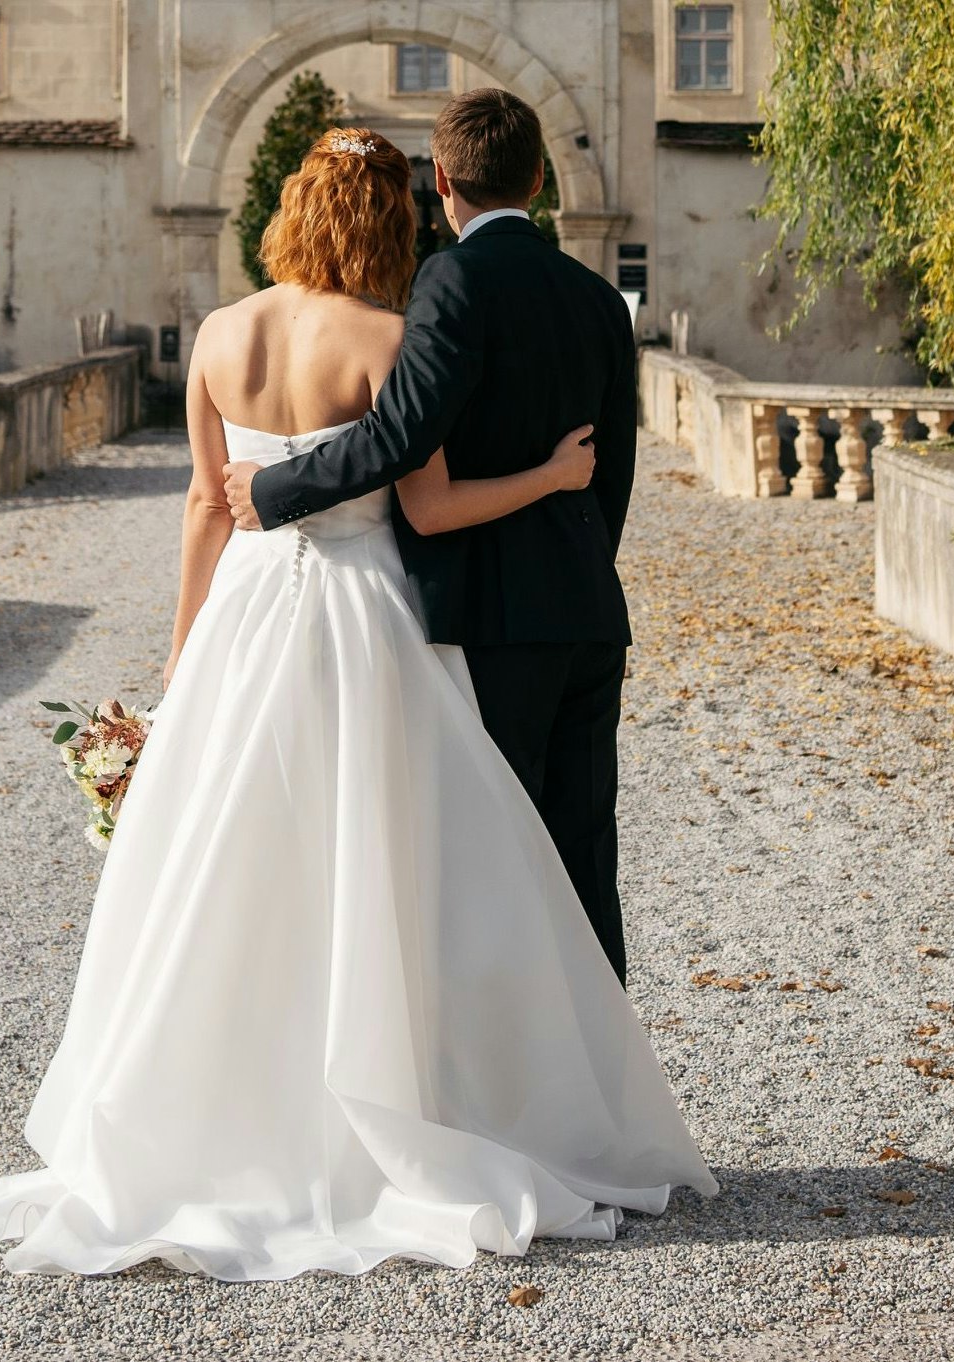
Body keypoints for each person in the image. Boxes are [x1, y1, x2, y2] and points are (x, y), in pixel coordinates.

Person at [0, 125, 715, 1281]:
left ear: (290, 208)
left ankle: (206, 1114)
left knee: (225, 862)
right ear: (394, 218)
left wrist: (180, 661)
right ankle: (418, 1092)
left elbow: (207, 511)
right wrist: (557, 480)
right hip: (363, 623)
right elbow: (436, 510)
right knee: (386, 866)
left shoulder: (219, 334)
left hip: (241, 624)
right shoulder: (385, 338)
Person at [225, 88, 642, 982]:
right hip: (587, 613)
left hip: (493, 620)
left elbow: (401, 436)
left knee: (490, 859)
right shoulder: (602, 299)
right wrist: (573, 565)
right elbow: (612, 476)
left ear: (442, 181)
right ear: (540, 180)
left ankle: (506, 1072)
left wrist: (276, 486)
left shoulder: (450, 281)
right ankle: (603, 1080)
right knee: (584, 855)